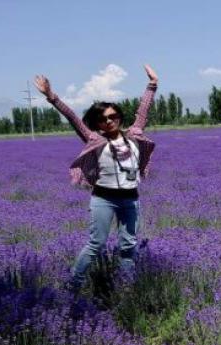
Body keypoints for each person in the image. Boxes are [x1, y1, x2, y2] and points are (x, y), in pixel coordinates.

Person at [34, 65, 158, 289]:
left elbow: (143, 110)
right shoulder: (95, 140)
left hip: (131, 199)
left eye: (112, 116)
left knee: (128, 246)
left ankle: (126, 289)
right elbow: (73, 118)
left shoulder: (134, 135)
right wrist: (52, 97)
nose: (109, 121)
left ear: (119, 116)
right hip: (104, 199)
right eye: (103, 119)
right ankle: (73, 285)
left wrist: (152, 84)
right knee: (96, 244)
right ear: (97, 123)